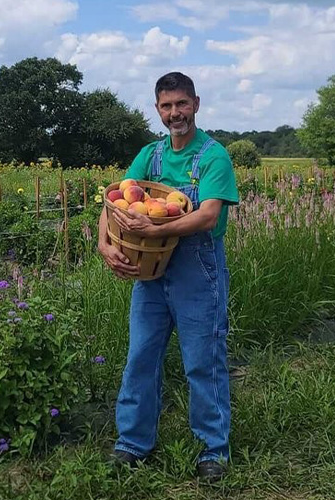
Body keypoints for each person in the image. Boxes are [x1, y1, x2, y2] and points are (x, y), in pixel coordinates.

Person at [97, 72, 239, 482]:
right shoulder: (150, 156)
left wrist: (157, 230)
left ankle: (213, 450)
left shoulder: (213, 156)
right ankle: (132, 443)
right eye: (166, 106)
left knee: (202, 360)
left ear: (196, 103)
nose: (174, 113)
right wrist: (104, 245)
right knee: (141, 356)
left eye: (181, 104)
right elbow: (114, 202)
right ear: (157, 109)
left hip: (198, 271)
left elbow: (209, 214)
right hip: (150, 274)